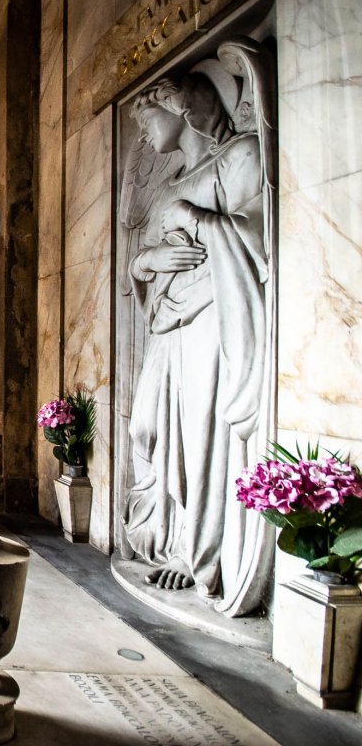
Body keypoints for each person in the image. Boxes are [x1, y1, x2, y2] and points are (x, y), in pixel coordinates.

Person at [122, 70, 272, 615]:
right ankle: (167, 531)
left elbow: (255, 236)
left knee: (200, 435)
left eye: (147, 120)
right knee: (147, 426)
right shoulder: (169, 182)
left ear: (185, 107)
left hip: (212, 315)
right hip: (169, 319)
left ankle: (193, 550)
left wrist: (197, 219)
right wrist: (148, 259)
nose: (142, 137)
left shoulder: (240, 158)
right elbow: (144, 261)